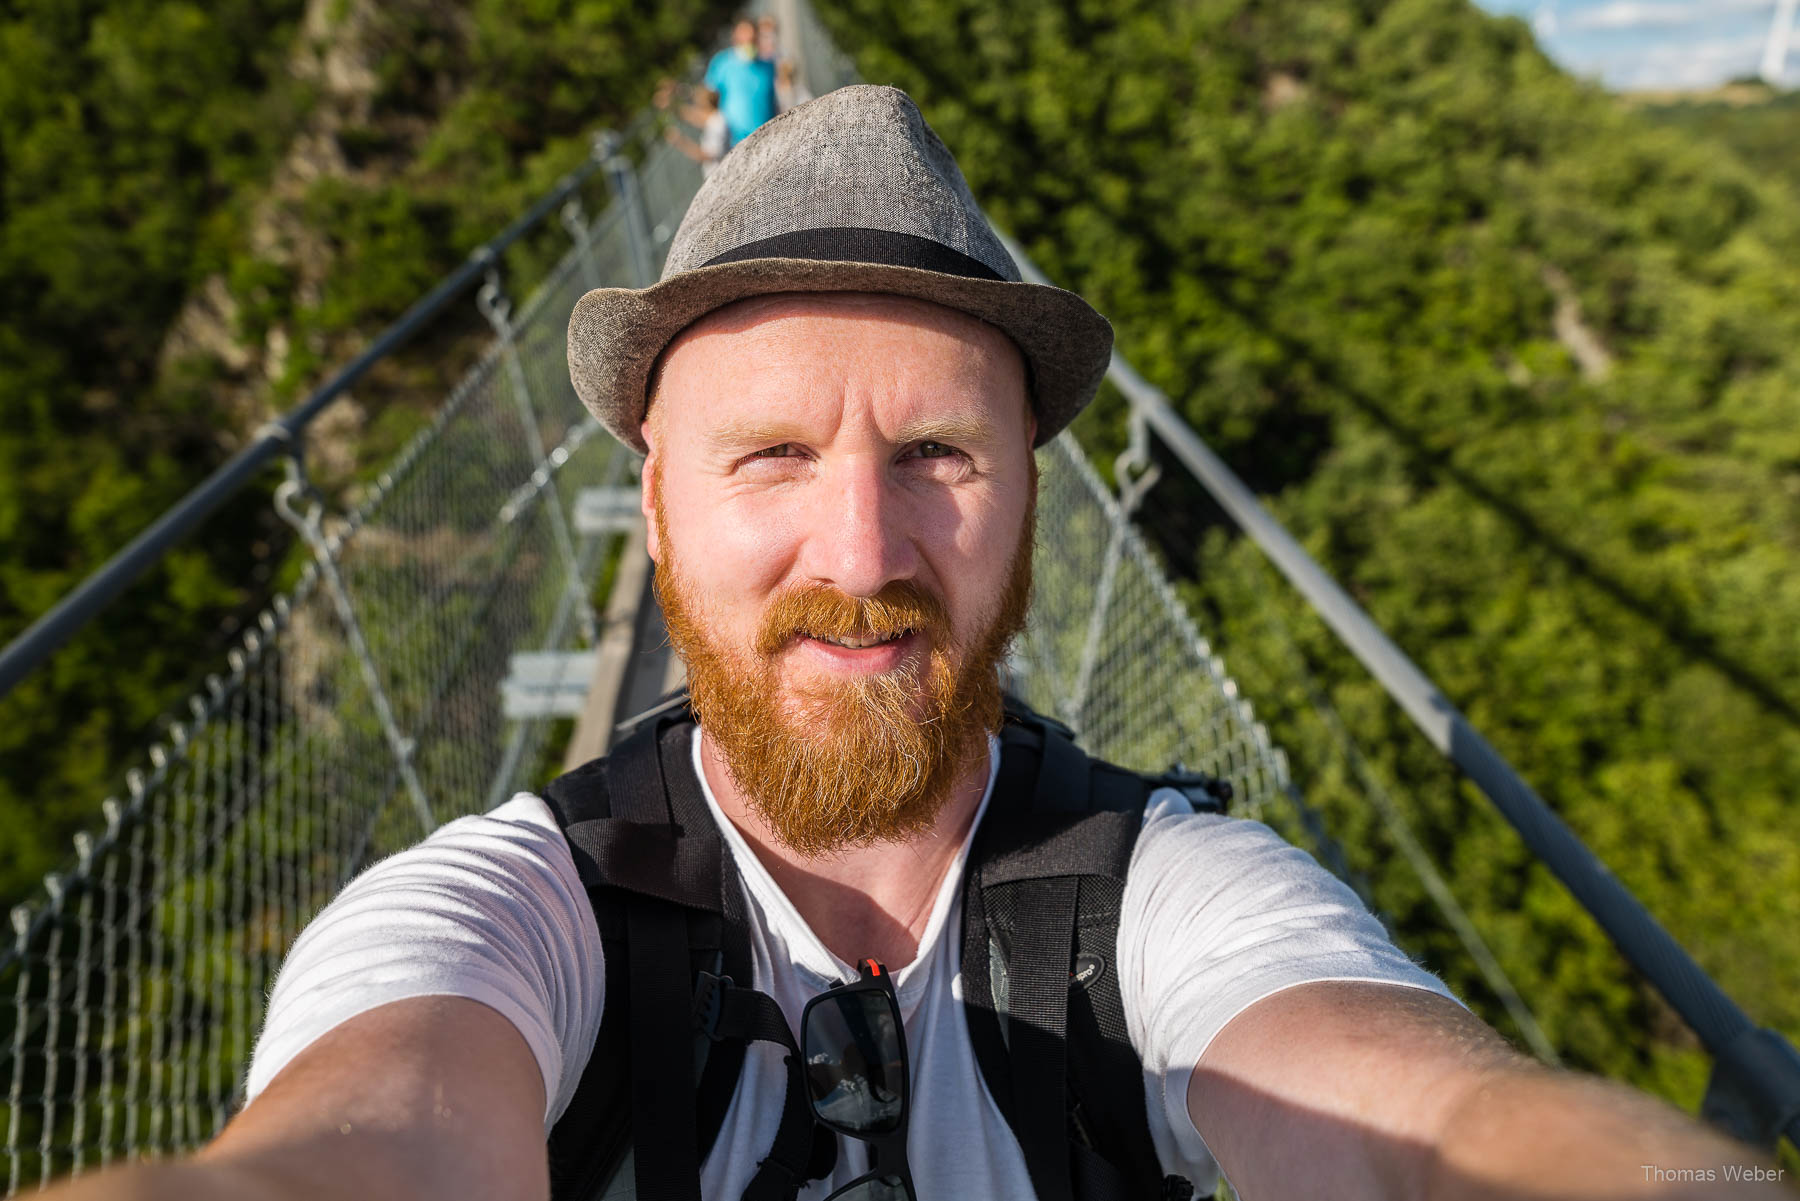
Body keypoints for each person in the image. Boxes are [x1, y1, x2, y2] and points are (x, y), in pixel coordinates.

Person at [38, 86, 1788, 1201]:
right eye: (772, 455)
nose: (863, 556)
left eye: (939, 455)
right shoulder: (511, 916)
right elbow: (368, 1138)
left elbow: (1414, 1116)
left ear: (1038, 500)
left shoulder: (1176, 903)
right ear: (654, 508)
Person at [704, 17, 777, 147]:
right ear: (735, 38)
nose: (748, 43)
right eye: (744, 39)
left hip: (767, 139)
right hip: (734, 144)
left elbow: (773, 100)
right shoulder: (721, 63)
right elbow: (708, 97)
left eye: (752, 39)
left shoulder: (768, 66)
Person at [659, 83, 729, 177]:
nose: (696, 107)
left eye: (699, 104)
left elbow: (706, 156)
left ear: (707, 105)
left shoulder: (718, 124)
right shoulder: (715, 120)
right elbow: (691, 116)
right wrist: (672, 105)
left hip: (720, 175)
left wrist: (679, 141)